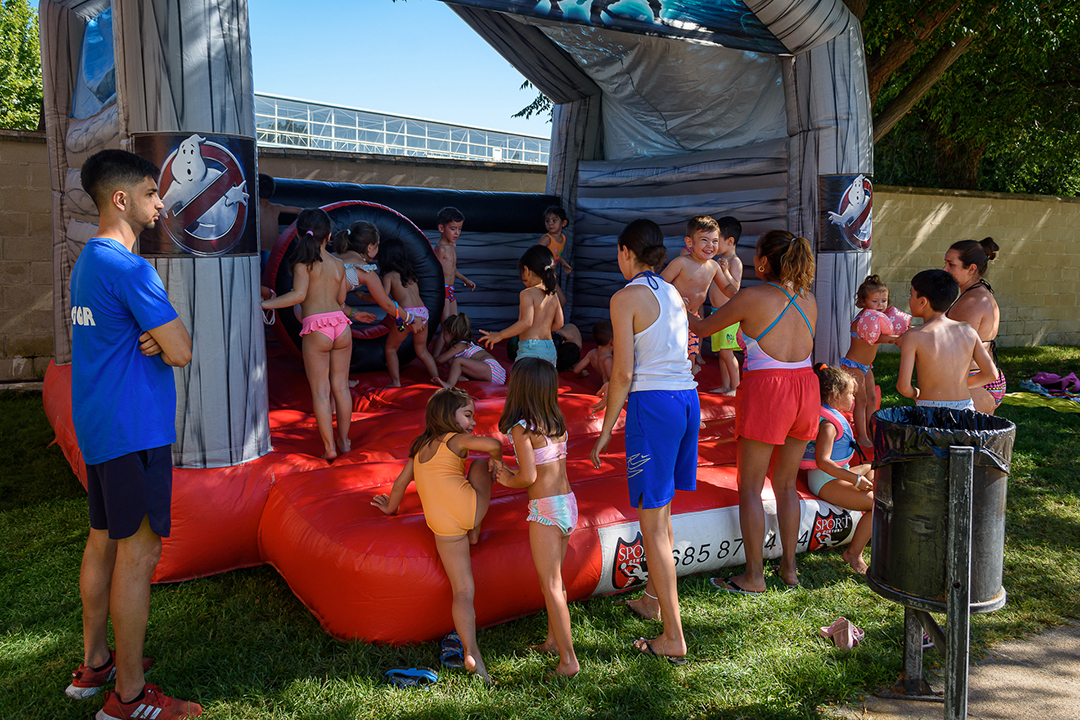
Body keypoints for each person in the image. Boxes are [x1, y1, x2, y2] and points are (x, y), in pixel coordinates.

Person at [68, 149, 200, 719]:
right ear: (121, 199)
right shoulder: (129, 267)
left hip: (101, 425)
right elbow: (182, 349)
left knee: (104, 539)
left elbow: (147, 338)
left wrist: (152, 336)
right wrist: (160, 337)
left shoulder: (87, 262)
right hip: (134, 431)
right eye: (151, 192)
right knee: (139, 554)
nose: (160, 202)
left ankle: (96, 663)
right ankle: (126, 698)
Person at [590, 218, 697, 664]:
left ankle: (673, 636)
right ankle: (654, 600)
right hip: (685, 398)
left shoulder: (625, 296)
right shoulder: (669, 290)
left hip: (654, 406)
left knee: (652, 524)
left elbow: (624, 371)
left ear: (624, 252)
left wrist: (606, 427)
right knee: (663, 513)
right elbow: (658, 354)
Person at [689, 229, 818, 593]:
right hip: (806, 388)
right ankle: (790, 570)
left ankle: (754, 576)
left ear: (762, 262)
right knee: (787, 484)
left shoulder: (752, 297)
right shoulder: (808, 298)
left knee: (749, 487)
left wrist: (681, 302)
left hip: (768, 390)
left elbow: (702, 327)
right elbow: (765, 306)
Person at [372, 388, 502, 683]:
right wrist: (497, 460)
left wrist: (390, 508)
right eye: (468, 415)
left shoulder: (419, 449)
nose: (471, 422)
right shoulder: (454, 439)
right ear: (448, 416)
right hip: (468, 512)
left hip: (441, 526)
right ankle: (476, 530)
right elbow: (492, 444)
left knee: (462, 591)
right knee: (479, 465)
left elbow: (401, 483)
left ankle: (471, 652)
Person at [493, 358, 580, 677]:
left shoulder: (522, 428)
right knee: (557, 583)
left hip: (545, 509)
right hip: (568, 503)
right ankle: (553, 641)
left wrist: (505, 477)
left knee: (551, 584)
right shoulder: (556, 423)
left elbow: (528, 476)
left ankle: (569, 661)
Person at [262, 209, 355, 460]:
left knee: (321, 391)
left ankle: (329, 448)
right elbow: (341, 300)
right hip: (341, 325)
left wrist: (264, 304)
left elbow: (299, 297)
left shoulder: (304, 264)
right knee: (341, 388)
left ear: (299, 235)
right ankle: (345, 442)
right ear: (330, 236)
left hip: (317, 328)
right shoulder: (338, 265)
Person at [802, 365, 875, 574]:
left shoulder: (833, 416)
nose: (853, 398)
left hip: (838, 472)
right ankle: (853, 554)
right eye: (850, 393)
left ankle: (876, 533)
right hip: (825, 480)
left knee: (876, 467)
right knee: (879, 505)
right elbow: (823, 461)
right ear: (835, 396)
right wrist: (856, 480)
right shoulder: (829, 426)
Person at [898, 269, 997, 410]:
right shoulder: (968, 330)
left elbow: (903, 387)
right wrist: (961, 385)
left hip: (931, 410)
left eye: (911, 295)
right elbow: (991, 374)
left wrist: (919, 393)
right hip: (966, 408)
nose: (909, 299)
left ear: (922, 302)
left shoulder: (913, 336)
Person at [663, 215, 733, 374]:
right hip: (672, 317)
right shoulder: (681, 263)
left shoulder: (714, 266)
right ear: (689, 242)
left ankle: (687, 382)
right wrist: (676, 297)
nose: (710, 245)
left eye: (715, 241)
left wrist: (739, 297)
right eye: (704, 240)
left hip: (692, 319)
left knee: (691, 354)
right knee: (671, 353)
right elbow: (660, 285)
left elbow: (727, 287)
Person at [944, 238, 1006, 414]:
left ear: (971, 269)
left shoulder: (971, 301)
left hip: (976, 381)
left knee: (959, 439)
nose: (945, 270)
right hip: (982, 378)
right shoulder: (978, 293)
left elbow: (955, 350)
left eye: (951, 265)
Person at [479, 245, 564, 365]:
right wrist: (541, 328)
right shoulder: (552, 293)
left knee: (524, 382)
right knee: (545, 383)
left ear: (526, 270)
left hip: (531, 349)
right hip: (549, 348)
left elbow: (526, 322)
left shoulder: (527, 293)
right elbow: (559, 323)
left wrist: (500, 335)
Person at [841, 275, 898, 447]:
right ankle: (861, 436)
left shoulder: (877, 318)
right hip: (853, 365)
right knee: (862, 400)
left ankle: (872, 431)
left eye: (884, 300)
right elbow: (878, 339)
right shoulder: (863, 321)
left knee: (872, 399)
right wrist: (899, 338)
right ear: (863, 302)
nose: (880, 305)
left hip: (866, 366)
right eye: (875, 301)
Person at [378, 238, 441, 387]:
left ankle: (395, 382)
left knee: (390, 349)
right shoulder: (411, 274)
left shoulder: (389, 276)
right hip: (423, 312)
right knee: (422, 351)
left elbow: (382, 298)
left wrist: (364, 296)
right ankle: (437, 378)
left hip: (408, 315)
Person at [432, 207, 475, 357]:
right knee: (446, 328)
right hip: (443, 290)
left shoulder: (452, 246)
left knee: (454, 326)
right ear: (441, 228)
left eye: (459, 229)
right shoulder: (440, 249)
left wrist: (465, 280)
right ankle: (436, 358)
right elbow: (435, 270)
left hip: (450, 290)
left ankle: (448, 356)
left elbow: (452, 269)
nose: (457, 233)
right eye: (453, 229)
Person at [708, 216, 744, 393]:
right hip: (717, 313)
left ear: (730, 241)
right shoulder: (718, 261)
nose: (713, 244)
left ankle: (736, 387)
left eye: (716, 240)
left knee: (726, 352)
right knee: (721, 352)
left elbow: (735, 288)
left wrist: (725, 273)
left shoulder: (735, 261)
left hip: (728, 314)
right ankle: (725, 384)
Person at [436, 313, 506, 388]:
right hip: (496, 372)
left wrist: (428, 360)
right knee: (455, 363)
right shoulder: (467, 344)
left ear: (451, 333)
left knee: (457, 361)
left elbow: (439, 360)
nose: (443, 337)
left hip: (492, 370)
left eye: (444, 333)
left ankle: (449, 384)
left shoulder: (460, 346)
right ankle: (464, 378)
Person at [539, 205, 572, 304]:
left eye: (554, 220)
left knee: (560, 302)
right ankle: (549, 319)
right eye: (547, 221)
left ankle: (550, 319)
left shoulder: (563, 238)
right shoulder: (547, 238)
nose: (550, 224)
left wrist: (563, 263)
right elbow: (535, 253)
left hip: (549, 276)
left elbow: (556, 252)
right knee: (560, 301)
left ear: (564, 223)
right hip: (543, 276)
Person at [572, 319, 615, 384]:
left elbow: (576, 370)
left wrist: (582, 374)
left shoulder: (592, 353)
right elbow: (612, 381)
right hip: (607, 390)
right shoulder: (609, 360)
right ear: (613, 341)